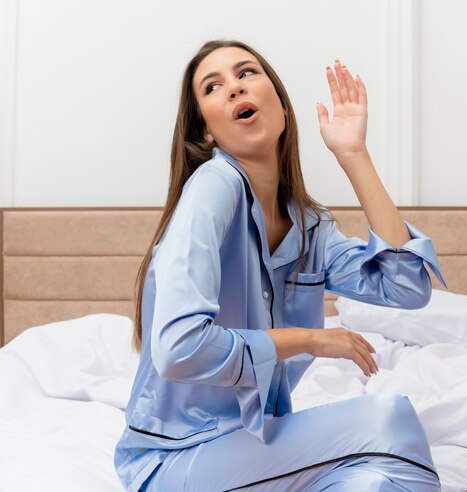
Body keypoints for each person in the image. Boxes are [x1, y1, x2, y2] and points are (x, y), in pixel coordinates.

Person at [113, 39, 448, 492]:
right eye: (213, 87)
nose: (233, 88)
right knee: (389, 420)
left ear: (282, 109)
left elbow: (406, 287)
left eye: (246, 73)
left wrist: (354, 156)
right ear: (206, 132)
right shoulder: (214, 186)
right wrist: (311, 339)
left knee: (373, 483)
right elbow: (179, 348)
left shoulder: (309, 227)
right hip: (178, 458)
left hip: (256, 454)